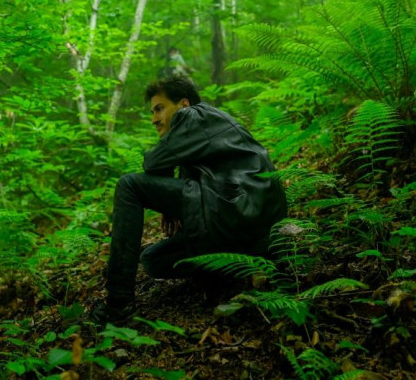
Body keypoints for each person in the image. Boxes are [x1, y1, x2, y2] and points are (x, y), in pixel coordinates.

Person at [90, 75, 287, 325]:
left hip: (237, 209)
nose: (154, 119)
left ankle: (117, 305)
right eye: (152, 112)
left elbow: (153, 161)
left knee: (129, 184)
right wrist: (172, 207)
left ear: (183, 104)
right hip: (247, 226)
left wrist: (165, 202)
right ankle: (232, 271)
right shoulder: (205, 130)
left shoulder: (194, 115)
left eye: (159, 109)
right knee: (153, 259)